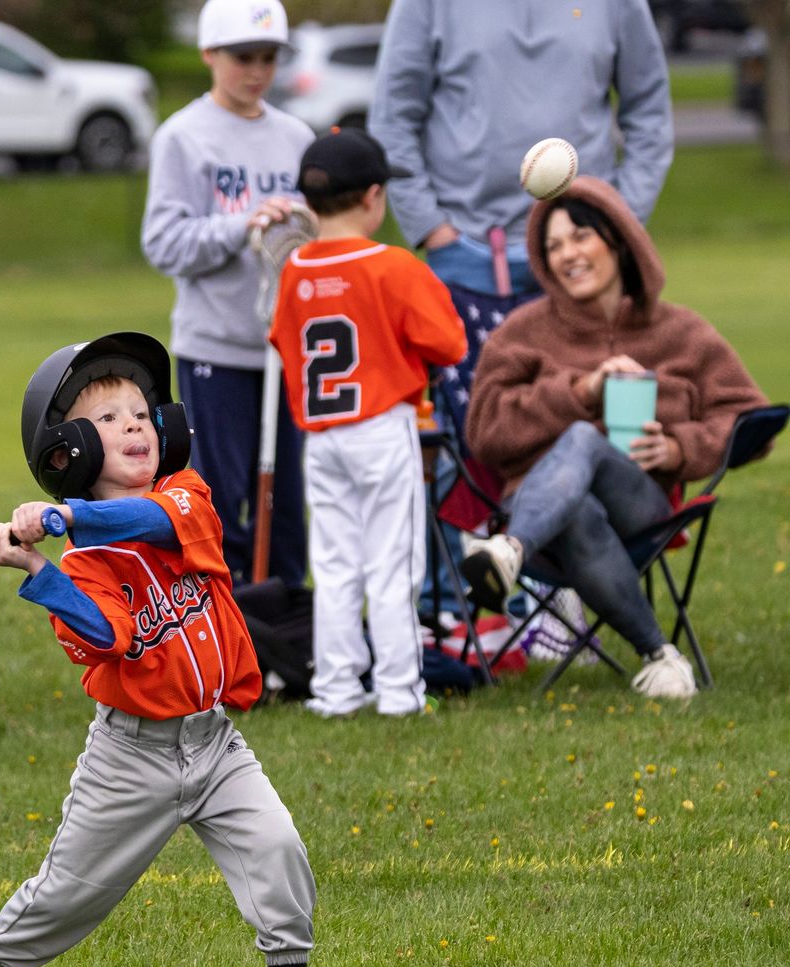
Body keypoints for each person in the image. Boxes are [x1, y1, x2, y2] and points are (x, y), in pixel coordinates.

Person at [0, 332, 321, 967]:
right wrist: (39, 572)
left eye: (143, 413)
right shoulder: (85, 563)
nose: (136, 426)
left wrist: (66, 516)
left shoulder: (185, 498)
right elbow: (105, 636)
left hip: (214, 743)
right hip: (131, 757)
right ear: (69, 452)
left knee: (277, 850)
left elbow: (149, 519)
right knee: (65, 897)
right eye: (111, 417)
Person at [367, 0, 674, 618]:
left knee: (577, 429)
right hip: (460, 261)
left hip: (574, 260)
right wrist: (431, 227)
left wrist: (614, 218)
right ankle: (453, 612)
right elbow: (393, 118)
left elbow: (649, 112)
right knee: (458, 444)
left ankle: (563, 603)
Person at [461, 177, 769, 700]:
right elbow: (485, 432)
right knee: (578, 507)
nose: (567, 255)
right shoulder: (522, 332)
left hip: (641, 506)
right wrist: (579, 389)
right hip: (541, 510)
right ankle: (660, 657)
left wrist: (679, 447)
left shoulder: (682, 332)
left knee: (584, 439)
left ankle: (509, 550)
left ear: (619, 240)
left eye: (580, 237)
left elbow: (751, 420)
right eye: (553, 246)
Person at [268, 129, 465, 717]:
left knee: (334, 566)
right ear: (373, 197)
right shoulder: (394, 266)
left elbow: (282, 342)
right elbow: (449, 342)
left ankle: (336, 689)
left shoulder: (295, 268)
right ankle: (401, 692)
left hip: (322, 438)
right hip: (382, 428)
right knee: (393, 564)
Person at [142, 0, 312, 587]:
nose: (258, 70)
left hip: (288, 351)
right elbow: (163, 243)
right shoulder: (183, 138)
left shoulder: (296, 136)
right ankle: (227, 629)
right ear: (210, 54)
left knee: (287, 503)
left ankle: (292, 632)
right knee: (220, 500)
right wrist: (243, 227)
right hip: (217, 348)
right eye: (244, 56)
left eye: (268, 57)